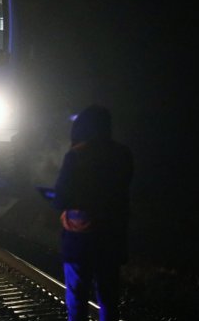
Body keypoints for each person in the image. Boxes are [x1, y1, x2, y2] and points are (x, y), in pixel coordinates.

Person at [50, 105, 133, 321]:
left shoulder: (75, 156)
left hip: (79, 240)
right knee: (109, 298)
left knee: (77, 298)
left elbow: (60, 198)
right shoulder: (123, 155)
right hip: (111, 236)